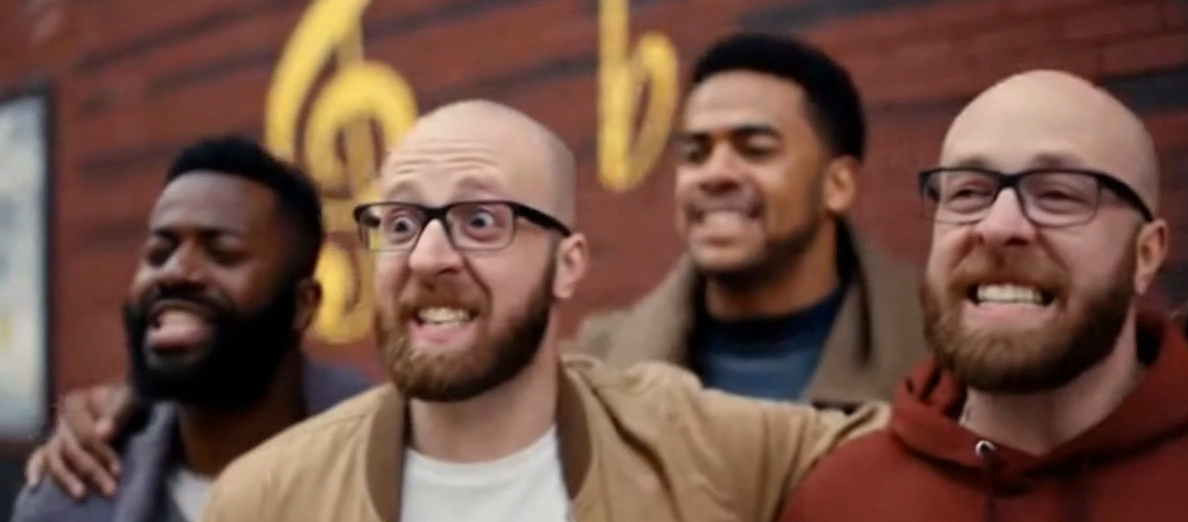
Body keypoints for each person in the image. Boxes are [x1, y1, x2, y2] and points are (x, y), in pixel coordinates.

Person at [198, 99, 886, 522]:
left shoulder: (701, 447)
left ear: (568, 265)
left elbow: (922, 450)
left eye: (479, 221)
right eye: (401, 224)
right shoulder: (266, 499)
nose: (428, 256)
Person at [776, 70, 1188, 522]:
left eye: (1057, 194)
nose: (997, 227)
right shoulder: (842, 499)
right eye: (968, 193)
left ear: (1145, 255)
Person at [9, 136, 373, 522]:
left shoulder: (395, 478)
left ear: (302, 305)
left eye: (222, 254)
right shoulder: (68, 502)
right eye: (158, 253)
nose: (175, 272)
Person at [577, 32, 925, 405]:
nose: (715, 174)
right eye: (695, 154)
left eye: (756, 150)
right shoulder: (592, 373)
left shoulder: (941, 360)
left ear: (837, 185)